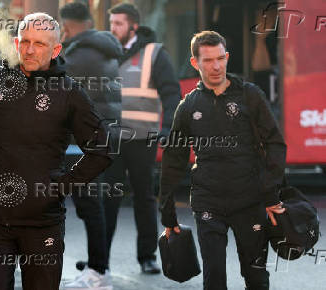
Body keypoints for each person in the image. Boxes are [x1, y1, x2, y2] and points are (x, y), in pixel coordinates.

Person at [0, 12, 113, 290]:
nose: (29, 49)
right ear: (16, 42)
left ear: (56, 49)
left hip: (43, 223)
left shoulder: (68, 91)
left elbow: (102, 149)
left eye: (39, 44)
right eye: (24, 41)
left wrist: (61, 186)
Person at [159, 30, 287, 290]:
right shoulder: (188, 107)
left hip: (249, 200)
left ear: (227, 57)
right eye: (207, 60)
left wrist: (270, 193)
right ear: (195, 63)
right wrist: (168, 214)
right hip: (208, 203)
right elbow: (173, 160)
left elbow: (275, 143)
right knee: (214, 278)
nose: (216, 66)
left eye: (220, 58)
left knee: (256, 276)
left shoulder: (250, 96)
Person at [105, 3, 180, 274]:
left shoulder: (154, 53)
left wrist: (169, 127)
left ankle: (147, 257)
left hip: (142, 138)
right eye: (111, 23)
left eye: (118, 24)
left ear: (133, 26)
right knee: (108, 198)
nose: (112, 28)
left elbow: (171, 93)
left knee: (144, 198)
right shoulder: (105, 52)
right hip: (111, 138)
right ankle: (98, 260)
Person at [59, 2, 122, 289]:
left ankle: (98, 271)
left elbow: (56, 86)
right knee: (97, 205)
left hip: (88, 141)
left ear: (68, 26)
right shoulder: (102, 47)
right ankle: (100, 267)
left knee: (90, 206)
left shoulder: (80, 54)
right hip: (105, 135)